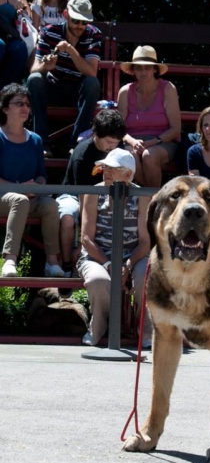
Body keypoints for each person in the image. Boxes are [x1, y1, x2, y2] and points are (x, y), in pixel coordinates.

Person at [77, 148, 151, 347]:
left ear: (128, 174)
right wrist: (111, 264)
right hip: (97, 257)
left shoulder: (143, 196)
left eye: (113, 168)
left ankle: (145, 330)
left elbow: (145, 241)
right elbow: (86, 239)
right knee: (97, 280)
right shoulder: (93, 193)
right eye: (105, 167)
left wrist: (127, 264)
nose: (106, 172)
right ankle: (99, 327)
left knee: (145, 276)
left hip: (133, 255)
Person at [0, 83, 64, 277]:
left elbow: (41, 174)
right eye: (19, 103)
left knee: (51, 205)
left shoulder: (35, 139)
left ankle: (52, 262)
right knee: (20, 200)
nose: (25, 108)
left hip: (30, 196)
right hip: (5, 197)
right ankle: (10, 260)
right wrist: (19, 189)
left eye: (27, 104)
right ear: (4, 108)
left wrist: (38, 186)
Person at [27, 0, 102, 157]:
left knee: (92, 84)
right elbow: (34, 69)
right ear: (66, 15)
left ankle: (76, 145)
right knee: (34, 80)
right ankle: (41, 143)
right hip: (53, 87)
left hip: (78, 90)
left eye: (84, 22)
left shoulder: (93, 35)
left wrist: (69, 50)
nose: (80, 26)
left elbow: (91, 72)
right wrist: (45, 67)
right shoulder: (48, 32)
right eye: (76, 20)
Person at [57, 109, 127, 276]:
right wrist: (83, 241)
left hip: (105, 193)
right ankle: (67, 265)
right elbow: (83, 198)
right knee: (67, 218)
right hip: (74, 194)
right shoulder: (82, 154)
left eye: (116, 142)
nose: (113, 146)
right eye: (109, 142)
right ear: (96, 134)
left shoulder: (118, 148)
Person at [117, 45, 181, 188]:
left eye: (147, 67)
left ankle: (150, 199)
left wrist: (154, 141)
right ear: (133, 71)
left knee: (149, 156)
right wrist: (133, 142)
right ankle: (154, 197)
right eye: (138, 68)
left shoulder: (168, 88)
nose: (143, 72)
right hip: (132, 141)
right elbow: (118, 128)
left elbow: (176, 129)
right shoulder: (125, 91)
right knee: (129, 157)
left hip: (163, 141)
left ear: (155, 70)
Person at [0, 0, 31, 88]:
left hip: (9, 33)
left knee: (19, 49)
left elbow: (28, 14)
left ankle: (5, 93)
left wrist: (21, 11)